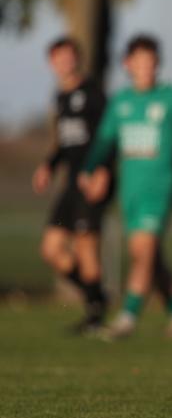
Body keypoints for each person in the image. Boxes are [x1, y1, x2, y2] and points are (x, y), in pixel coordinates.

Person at [79, 34, 172, 339]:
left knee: (144, 252)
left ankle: (127, 317)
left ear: (157, 64)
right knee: (149, 257)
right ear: (128, 64)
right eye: (140, 62)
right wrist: (89, 168)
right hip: (130, 190)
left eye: (151, 62)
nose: (146, 68)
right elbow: (105, 140)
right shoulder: (121, 102)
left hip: (160, 188)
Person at [31, 37, 114, 334]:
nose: (63, 63)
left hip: (93, 180)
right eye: (57, 58)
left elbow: (109, 135)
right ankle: (97, 297)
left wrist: (103, 170)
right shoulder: (60, 97)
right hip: (71, 183)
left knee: (85, 247)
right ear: (51, 64)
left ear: (77, 59)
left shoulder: (93, 94)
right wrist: (48, 166)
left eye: (68, 57)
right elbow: (66, 143)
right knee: (51, 249)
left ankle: (95, 316)